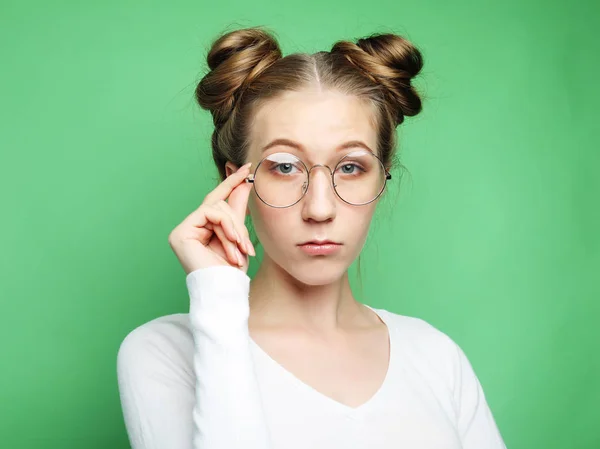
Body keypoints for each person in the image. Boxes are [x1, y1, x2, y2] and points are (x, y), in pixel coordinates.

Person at [116, 26, 507, 449]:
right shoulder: (164, 353)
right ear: (236, 185)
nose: (319, 209)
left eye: (351, 167)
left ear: (382, 179)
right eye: (284, 166)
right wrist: (218, 295)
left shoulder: (435, 357)